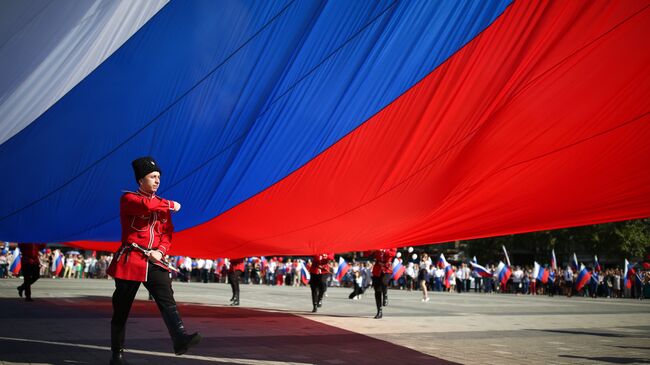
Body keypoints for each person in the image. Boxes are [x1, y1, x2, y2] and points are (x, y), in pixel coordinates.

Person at [106, 156, 201, 364]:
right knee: (121, 308)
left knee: (167, 299)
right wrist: (171, 204)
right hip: (131, 259)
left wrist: (160, 251)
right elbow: (147, 206)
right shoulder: (129, 199)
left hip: (154, 260)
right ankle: (117, 354)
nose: (157, 180)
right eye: (152, 176)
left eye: (159, 177)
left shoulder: (161, 205)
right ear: (141, 180)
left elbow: (168, 233)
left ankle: (179, 338)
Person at [369, 248, 396, 319]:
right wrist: (373, 250)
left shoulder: (391, 243)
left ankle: (385, 294)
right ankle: (379, 312)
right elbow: (370, 253)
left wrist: (384, 250)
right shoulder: (378, 244)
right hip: (377, 268)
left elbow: (393, 253)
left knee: (384, 282)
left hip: (387, 268)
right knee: (377, 291)